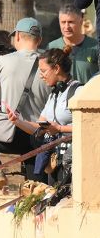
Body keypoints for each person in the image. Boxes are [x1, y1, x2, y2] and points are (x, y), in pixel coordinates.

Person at [0, 16, 50, 188]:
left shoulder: (3, 61)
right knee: (36, 190)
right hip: (37, 138)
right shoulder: (49, 65)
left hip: (8, 137)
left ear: (18, 36)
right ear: (40, 40)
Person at [9, 48, 78, 185]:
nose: (41, 76)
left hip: (72, 162)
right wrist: (17, 121)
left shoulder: (78, 91)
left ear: (56, 68)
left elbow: (89, 127)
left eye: (43, 71)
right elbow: (40, 126)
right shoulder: (54, 93)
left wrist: (60, 128)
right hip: (54, 161)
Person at [46, 4, 98, 87]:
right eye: (63, 22)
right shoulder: (52, 47)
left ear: (81, 22)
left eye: (71, 22)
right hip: (61, 99)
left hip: (87, 99)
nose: (66, 27)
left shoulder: (95, 46)